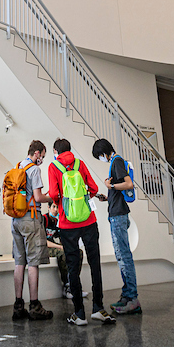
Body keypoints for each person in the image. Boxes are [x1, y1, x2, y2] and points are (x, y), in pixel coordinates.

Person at [47, 138, 115, 327]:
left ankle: (79, 313)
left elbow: (53, 194)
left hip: (67, 224)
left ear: (55, 151)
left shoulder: (53, 167)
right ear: (70, 149)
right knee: (95, 263)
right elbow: (93, 188)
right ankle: (98, 308)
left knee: (72, 265)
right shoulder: (80, 164)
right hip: (88, 221)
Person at [94, 138, 140, 314]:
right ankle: (127, 295)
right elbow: (119, 190)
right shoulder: (114, 162)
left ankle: (132, 298)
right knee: (122, 256)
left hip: (119, 216)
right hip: (117, 213)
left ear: (103, 152)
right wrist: (107, 195)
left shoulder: (117, 161)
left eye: (99, 156)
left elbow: (128, 184)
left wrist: (110, 185)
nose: (100, 159)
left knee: (124, 257)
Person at [11, 140, 53, 321]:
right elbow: (38, 197)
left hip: (16, 220)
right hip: (31, 218)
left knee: (19, 262)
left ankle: (18, 306)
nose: (42, 159)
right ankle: (35, 306)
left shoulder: (18, 166)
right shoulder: (34, 170)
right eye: (42, 156)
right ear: (36, 153)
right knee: (33, 262)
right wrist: (52, 195)